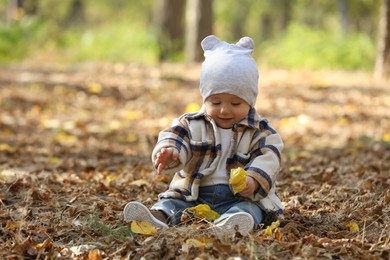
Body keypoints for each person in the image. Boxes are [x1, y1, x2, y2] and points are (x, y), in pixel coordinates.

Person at [123, 35, 284, 236]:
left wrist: (252, 180)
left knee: (252, 210)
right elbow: (175, 136)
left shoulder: (261, 132)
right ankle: (158, 217)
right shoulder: (192, 123)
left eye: (235, 104)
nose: (225, 110)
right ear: (205, 98)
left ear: (250, 101)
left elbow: (269, 157)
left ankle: (230, 225)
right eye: (216, 102)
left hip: (239, 197)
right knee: (172, 202)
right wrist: (171, 151)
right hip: (194, 193)